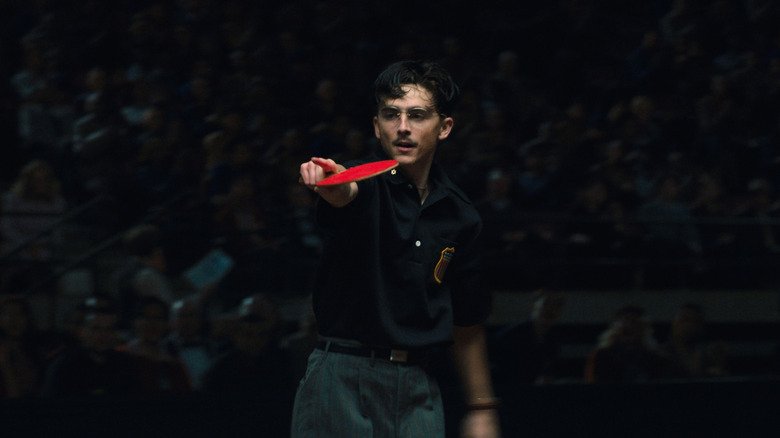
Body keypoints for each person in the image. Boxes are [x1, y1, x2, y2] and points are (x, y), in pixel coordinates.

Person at [295, 60, 500, 437]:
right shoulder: (360, 183)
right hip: (342, 375)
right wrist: (329, 183)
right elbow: (343, 192)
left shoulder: (461, 216)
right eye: (391, 115)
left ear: (444, 127)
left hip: (417, 384)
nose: (403, 127)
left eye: (418, 115)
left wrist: (481, 407)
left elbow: (467, 321)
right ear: (377, 126)